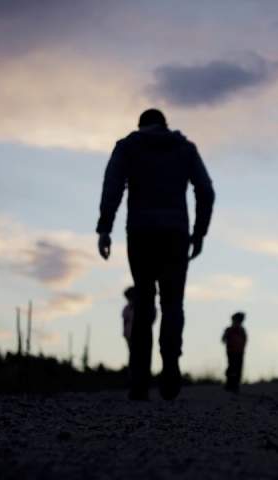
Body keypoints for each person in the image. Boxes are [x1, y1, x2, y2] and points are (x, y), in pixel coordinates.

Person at [96, 108, 215, 401]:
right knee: (173, 302)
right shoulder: (185, 149)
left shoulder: (128, 147)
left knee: (144, 302)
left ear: (140, 126)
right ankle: (170, 365)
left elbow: (112, 186)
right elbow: (206, 190)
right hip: (176, 234)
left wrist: (104, 228)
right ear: (164, 125)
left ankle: (139, 380)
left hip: (140, 233)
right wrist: (199, 233)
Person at [222, 312, 247, 393]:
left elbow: (245, 340)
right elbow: (223, 339)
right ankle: (230, 384)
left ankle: (235, 385)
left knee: (238, 369)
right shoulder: (229, 330)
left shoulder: (242, 330)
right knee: (232, 368)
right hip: (231, 352)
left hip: (240, 352)